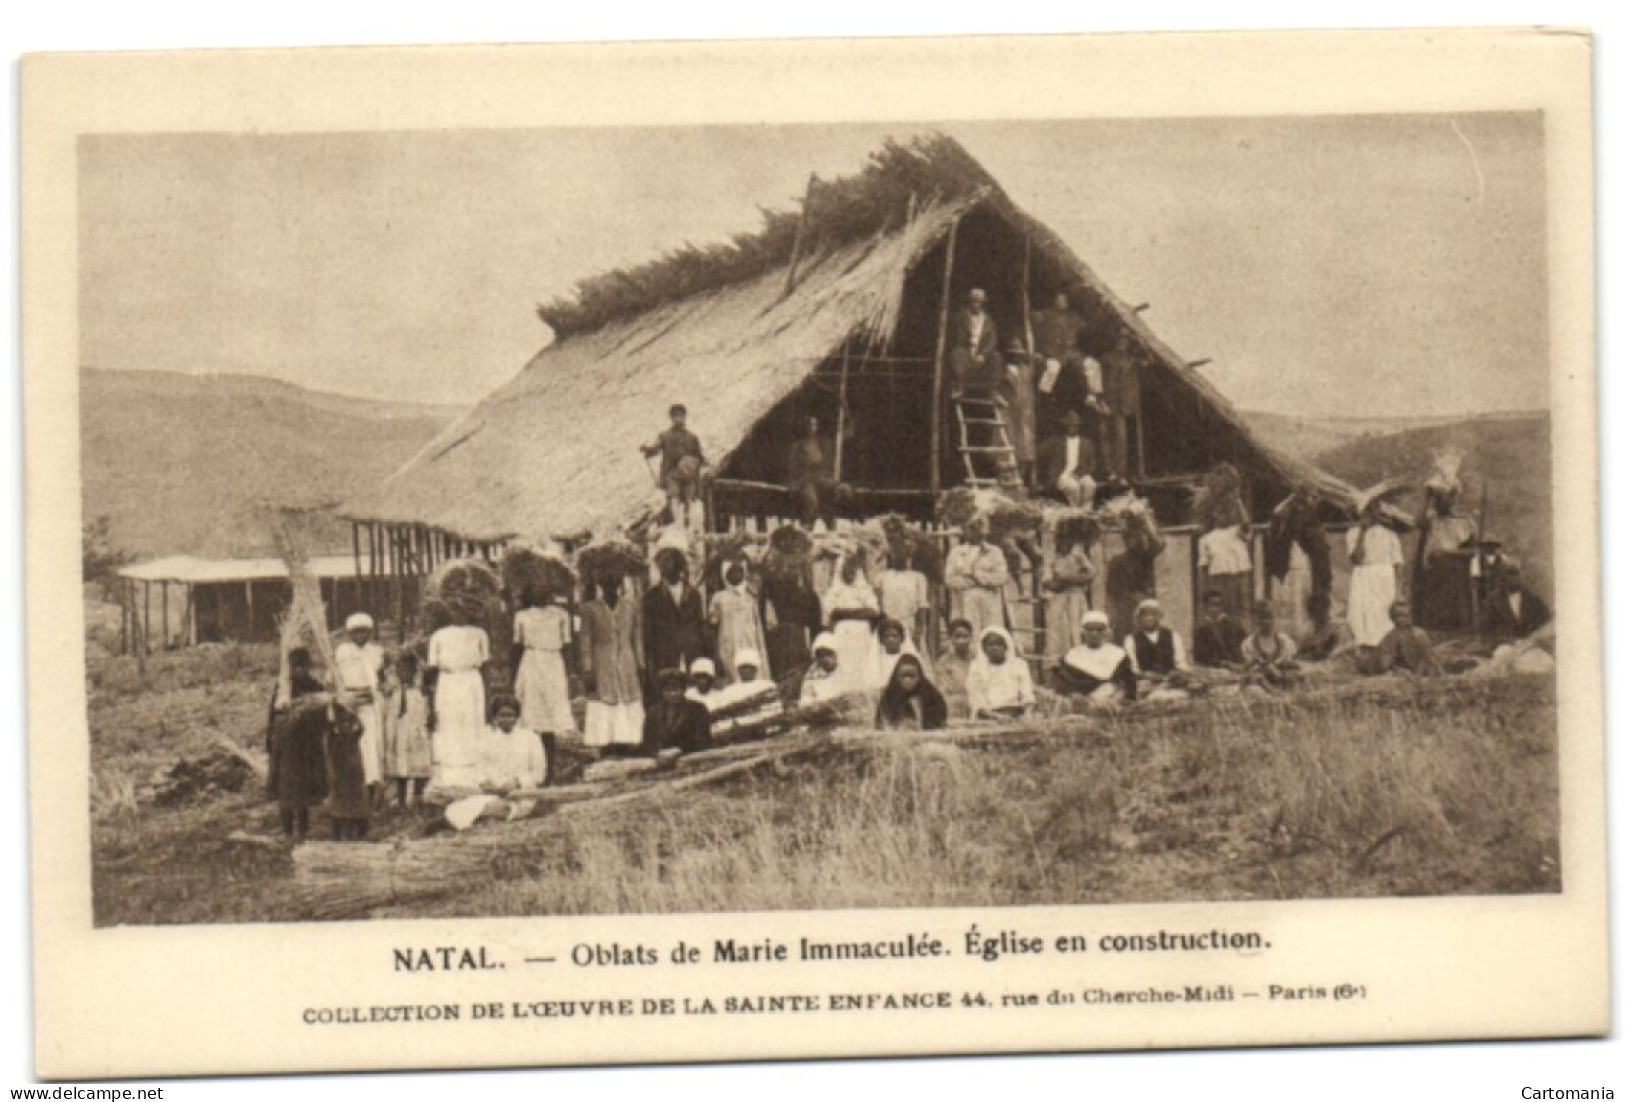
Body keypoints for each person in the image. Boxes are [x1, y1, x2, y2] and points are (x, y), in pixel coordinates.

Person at [578, 567, 646, 750]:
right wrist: (588, 668)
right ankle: (606, 743)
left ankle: (629, 742)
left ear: (619, 585)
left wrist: (641, 664)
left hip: (626, 657)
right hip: (602, 659)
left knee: (628, 697)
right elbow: (586, 640)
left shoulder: (631, 606)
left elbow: (637, 637)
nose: (610, 587)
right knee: (604, 698)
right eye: (605, 583)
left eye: (613, 583)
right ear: (600, 585)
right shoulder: (590, 608)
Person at [265, 647, 328, 842]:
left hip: (307, 747)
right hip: (285, 746)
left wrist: (307, 715)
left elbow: (322, 716)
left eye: (303, 666)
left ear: (309, 667)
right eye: (295, 667)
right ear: (289, 668)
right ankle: (286, 830)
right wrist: (271, 739)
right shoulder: (283, 689)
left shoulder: (315, 688)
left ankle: (302, 830)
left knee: (303, 791)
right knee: (285, 789)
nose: (299, 671)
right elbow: (272, 717)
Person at [427, 611, 490, 789]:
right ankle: (449, 776)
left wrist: (489, 693)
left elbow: (485, 665)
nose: (460, 614)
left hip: (471, 680)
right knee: (448, 723)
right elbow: (432, 667)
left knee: (472, 722)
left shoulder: (479, 633)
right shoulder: (439, 635)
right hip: (448, 681)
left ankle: (474, 775)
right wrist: (429, 698)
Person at [332, 612, 385, 805]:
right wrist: (345, 697)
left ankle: (372, 790)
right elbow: (334, 679)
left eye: (364, 632)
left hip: (370, 703)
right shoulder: (342, 652)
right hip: (349, 703)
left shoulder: (376, 652)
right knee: (351, 747)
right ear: (349, 634)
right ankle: (351, 792)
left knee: (370, 746)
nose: (360, 636)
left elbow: (381, 677)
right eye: (356, 632)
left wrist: (377, 692)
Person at [511, 585, 577, 740]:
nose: (542, 594)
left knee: (553, 699)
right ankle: (533, 744)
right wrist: (513, 671)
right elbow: (517, 645)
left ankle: (550, 746)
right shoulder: (522, 616)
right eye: (537, 590)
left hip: (553, 660)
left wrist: (571, 670)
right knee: (532, 702)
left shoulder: (561, 615)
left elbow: (567, 643)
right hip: (532, 660)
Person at [642, 548, 708, 698]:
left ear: (678, 562)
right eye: (661, 562)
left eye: (668, 560)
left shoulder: (693, 595)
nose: (663, 565)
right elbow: (648, 634)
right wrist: (651, 664)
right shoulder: (651, 597)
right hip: (665, 657)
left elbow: (700, 626)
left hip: (691, 654)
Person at [760, 542, 821, 704]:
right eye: (787, 566)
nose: (791, 571)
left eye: (795, 567)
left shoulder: (809, 594)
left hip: (800, 640)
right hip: (777, 641)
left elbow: (815, 624)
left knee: (799, 676)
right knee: (780, 676)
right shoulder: (770, 588)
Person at [1347, 500, 1407, 654]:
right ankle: (1364, 649)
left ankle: (1386, 649)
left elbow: (1398, 563)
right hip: (1362, 576)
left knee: (1382, 614)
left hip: (1384, 578)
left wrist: (1399, 590)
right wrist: (1362, 531)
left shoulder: (1390, 534)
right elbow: (1356, 559)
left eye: (1374, 510)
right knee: (1361, 615)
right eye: (1367, 510)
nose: (1371, 514)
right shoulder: (1353, 532)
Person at [822, 551, 884, 692]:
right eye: (845, 570)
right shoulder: (835, 591)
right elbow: (831, 611)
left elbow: (874, 611)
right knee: (844, 666)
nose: (849, 574)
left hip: (861, 635)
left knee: (861, 666)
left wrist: (844, 613)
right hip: (842, 635)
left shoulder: (864, 590)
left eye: (852, 571)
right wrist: (859, 612)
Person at [1032, 289, 1089, 438]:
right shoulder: (1048, 315)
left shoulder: (1073, 317)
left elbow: (1085, 325)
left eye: (1063, 300)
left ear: (1067, 303)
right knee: (1052, 368)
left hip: (1070, 353)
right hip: (1053, 353)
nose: (1060, 303)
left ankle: (1092, 395)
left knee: (1090, 366)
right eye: (1058, 300)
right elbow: (1035, 318)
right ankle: (1043, 394)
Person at [380, 651, 433, 808]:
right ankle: (401, 799)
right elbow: (380, 680)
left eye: (408, 670)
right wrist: (385, 665)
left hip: (415, 731)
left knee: (418, 761)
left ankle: (418, 797)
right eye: (400, 670)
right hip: (398, 731)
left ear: (415, 671)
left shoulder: (419, 690)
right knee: (399, 765)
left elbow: (427, 706)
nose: (404, 673)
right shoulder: (392, 689)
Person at [1104, 506, 1165, 644]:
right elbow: (1110, 590)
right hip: (1124, 605)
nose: (1132, 541)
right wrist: (1112, 610)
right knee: (1124, 637)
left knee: (1145, 634)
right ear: (1124, 540)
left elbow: (1158, 544)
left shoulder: (1145, 557)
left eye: (1136, 537)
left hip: (1142, 601)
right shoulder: (1117, 561)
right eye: (1128, 538)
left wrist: (1144, 520)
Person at [639, 403, 706, 524]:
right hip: (672, 473)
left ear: (685, 417)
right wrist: (647, 450)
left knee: (690, 499)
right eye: (675, 416)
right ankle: (678, 523)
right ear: (671, 418)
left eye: (680, 416)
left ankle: (689, 523)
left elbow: (699, 457)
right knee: (673, 497)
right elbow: (655, 449)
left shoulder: (692, 438)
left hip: (688, 475)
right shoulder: (664, 436)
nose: (678, 419)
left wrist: (691, 464)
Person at [1054, 610, 1137, 706]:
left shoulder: (1118, 654)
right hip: (1079, 703)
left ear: (1106, 632)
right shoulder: (1072, 655)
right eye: (1089, 629)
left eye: (1099, 629)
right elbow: (1063, 685)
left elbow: (1127, 685)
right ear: (1083, 631)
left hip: (1109, 703)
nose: (1094, 633)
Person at [945, 517, 1008, 640]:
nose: (975, 532)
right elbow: (949, 578)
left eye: (979, 528)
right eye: (971, 528)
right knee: (968, 634)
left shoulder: (994, 552)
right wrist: (968, 583)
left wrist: (978, 578)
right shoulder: (957, 552)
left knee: (990, 634)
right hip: (964, 600)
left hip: (989, 601)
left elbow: (1001, 577)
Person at [1042, 524, 1096, 669]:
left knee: (1078, 630)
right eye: (1061, 539)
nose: (1065, 543)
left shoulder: (1078, 556)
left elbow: (1090, 574)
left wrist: (1072, 579)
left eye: (1068, 540)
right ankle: (1058, 667)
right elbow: (1047, 582)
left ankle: (1081, 666)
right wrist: (1063, 582)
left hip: (1077, 598)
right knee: (1059, 633)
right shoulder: (1052, 558)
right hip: (1059, 598)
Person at [709, 558, 770, 685]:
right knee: (732, 672)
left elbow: (757, 624)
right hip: (729, 642)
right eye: (732, 572)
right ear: (725, 575)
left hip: (749, 641)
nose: (736, 575)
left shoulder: (750, 597)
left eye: (739, 572)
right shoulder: (719, 597)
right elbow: (713, 624)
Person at [1094, 324, 1141, 477]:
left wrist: (1140, 342)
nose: (1123, 342)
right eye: (1120, 339)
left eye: (1126, 339)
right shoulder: (1106, 358)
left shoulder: (1132, 360)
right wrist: (1100, 400)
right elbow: (1097, 381)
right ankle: (1109, 471)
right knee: (1105, 436)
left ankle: (1119, 473)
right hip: (1108, 401)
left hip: (1123, 404)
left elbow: (1150, 360)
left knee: (1121, 438)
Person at [478, 694, 551, 792]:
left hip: (521, 793)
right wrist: (484, 781)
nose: (507, 719)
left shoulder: (531, 738)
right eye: (502, 715)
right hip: (490, 791)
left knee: (500, 807)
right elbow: (478, 766)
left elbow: (539, 773)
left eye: (510, 715)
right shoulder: (486, 737)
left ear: (517, 716)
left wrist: (518, 782)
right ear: (495, 717)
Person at [1122, 598, 1190, 700]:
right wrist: (1144, 675)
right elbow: (1132, 667)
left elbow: (1181, 662)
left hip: (1169, 683)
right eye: (1144, 615)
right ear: (1139, 618)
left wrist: (1177, 672)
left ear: (1160, 616)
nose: (1149, 618)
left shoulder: (1173, 636)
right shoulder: (1131, 639)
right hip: (1145, 685)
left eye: (1153, 614)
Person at [1198, 501, 1253, 621]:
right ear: (1214, 515)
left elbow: (1245, 522)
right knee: (1222, 610)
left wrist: (1238, 501)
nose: (1223, 516)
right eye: (1220, 513)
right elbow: (1203, 566)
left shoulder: (1237, 532)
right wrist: (1204, 589)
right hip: (1218, 579)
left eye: (1226, 513)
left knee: (1241, 609)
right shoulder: (1206, 539)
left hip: (1239, 577)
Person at [965, 626, 1035, 720]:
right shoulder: (976, 667)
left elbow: (1027, 693)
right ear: (984, 648)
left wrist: (1027, 714)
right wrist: (996, 716)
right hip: (988, 716)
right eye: (990, 645)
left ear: (1006, 646)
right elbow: (976, 699)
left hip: (1016, 714)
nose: (995, 648)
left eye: (999, 644)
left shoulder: (1019, 665)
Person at [322, 704, 369, 841]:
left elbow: (361, 728)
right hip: (342, 773)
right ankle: (344, 834)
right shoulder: (334, 737)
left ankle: (355, 833)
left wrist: (353, 714)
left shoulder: (351, 736)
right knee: (343, 805)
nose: (347, 726)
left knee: (352, 805)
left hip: (353, 773)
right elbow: (359, 728)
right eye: (344, 723)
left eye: (348, 723)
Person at [947, 288, 1003, 399]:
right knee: (957, 354)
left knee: (996, 357)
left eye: (979, 302)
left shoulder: (987, 320)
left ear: (983, 303)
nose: (976, 304)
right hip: (966, 351)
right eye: (974, 301)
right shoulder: (961, 316)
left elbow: (992, 340)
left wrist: (983, 354)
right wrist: (968, 345)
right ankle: (959, 387)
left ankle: (993, 391)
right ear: (969, 302)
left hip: (981, 353)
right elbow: (956, 336)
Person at [787, 415, 841, 529]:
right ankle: (807, 528)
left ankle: (831, 527)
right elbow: (793, 468)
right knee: (811, 501)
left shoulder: (822, 444)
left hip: (819, 480)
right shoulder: (798, 446)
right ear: (804, 427)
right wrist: (796, 483)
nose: (812, 428)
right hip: (804, 481)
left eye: (814, 425)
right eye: (809, 425)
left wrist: (829, 480)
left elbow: (845, 433)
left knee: (836, 492)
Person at [642, 670, 713, 754]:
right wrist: (658, 753)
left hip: (690, 758)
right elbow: (648, 742)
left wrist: (680, 750)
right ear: (661, 692)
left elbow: (703, 740)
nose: (672, 694)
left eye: (676, 689)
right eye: (668, 690)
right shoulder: (653, 713)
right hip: (661, 760)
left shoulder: (697, 709)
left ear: (683, 690)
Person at [1480, 560, 1552, 642]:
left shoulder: (1533, 599)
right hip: (1504, 646)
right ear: (1503, 578)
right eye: (1509, 574)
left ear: (1522, 575)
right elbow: (1485, 629)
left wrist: (1535, 639)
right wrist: (1506, 640)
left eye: (1516, 574)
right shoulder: (1493, 601)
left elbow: (1546, 623)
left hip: (1530, 644)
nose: (1513, 578)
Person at [1037, 409, 1097, 507]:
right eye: (1069, 426)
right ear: (1065, 427)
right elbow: (1040, 452)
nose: (1072, 428)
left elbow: (1092, 464)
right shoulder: (1057, 442)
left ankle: (1086, 511)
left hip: (1081, 474)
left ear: (1078, 427)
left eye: (1075, 426)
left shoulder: (1086, 443)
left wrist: (1080, 474)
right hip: (1063, 475)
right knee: (1074, 488)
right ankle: (1075, 513)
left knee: (1090, 485)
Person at [876, 550, 931, 655]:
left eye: (903, 554)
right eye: (895, 554)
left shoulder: (918, 577)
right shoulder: (882, 576)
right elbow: (878, 602)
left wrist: (919, 630)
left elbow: (922, 605)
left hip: (909, 623)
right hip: (888, 623)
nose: (899, 557)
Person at [874, 654, 949, 732]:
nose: (907, 680)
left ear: (920, 676)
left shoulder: (932, 698)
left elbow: (940, 725)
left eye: (912, 676)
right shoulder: (888, 698)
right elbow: (881, 726)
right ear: (896, 677)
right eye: (903, 676)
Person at [1239, 601, 1301, 692]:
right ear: (1256, 620)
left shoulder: (1286, 642)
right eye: (1262, 618)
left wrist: (1280, 671)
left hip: (1283, 682)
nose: (1267, 622)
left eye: (1270, 617)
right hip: (1260, 685)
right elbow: (1247, 671)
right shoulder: (1248, 644)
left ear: (1275, 618)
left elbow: (1294, 668)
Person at [1372, 600, 1442, 676]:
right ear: (1392, 617)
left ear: (1410, 616)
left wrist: (1416, 675)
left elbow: (1427, 657)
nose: (1402, 619)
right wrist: (1396, 670)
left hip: (1424, 675)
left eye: (1405, 615)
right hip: (1403, 676)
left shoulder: (1419, 635)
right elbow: (1384, 664)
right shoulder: (1389, 638)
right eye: (1398, 615)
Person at [1004, 337, 1038, 487]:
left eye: (1019, 353)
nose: (1016, 356)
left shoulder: (1026, 370)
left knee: (1025, 448)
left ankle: (1023, 480)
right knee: (1009, 444)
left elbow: (1040, 365)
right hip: (1009, 411)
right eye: (1013, 353)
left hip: (1025, 412)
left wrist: (1032, 357)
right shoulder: (1003, 371)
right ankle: (1010, 479)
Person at [1192, 589, 1247, 669]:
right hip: (1213, 670)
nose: (1215, 609)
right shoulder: (1201, 630)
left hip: (1236, 668)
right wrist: (1223, 663)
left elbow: (1244, 646)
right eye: (1211, 605)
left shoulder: (1234, 626)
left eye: (1218, 605)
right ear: (1205, 607)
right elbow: (1199, 657)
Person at [934, 618, 976, 720]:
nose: (961, 640)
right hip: (954, 706)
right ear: (951, 638)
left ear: (971, 637)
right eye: (957, 636)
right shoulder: (943, 662)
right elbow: (942, 689)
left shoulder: (978, 658)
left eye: (965, 636)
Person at [798, 634, 846, 707]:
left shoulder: (843, 674)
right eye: (821, 655)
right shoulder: (811, 677)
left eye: (829, 655)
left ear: (836, 655)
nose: (825, 659)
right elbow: (805, 702)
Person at [874, 618, 921, 685]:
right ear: (881, 640)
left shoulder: (909, 658)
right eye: (886, 636)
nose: (891, 639)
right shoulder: (877, 660)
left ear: (902, 638)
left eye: (894, 636)